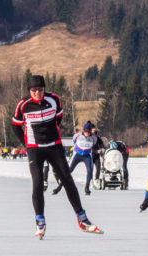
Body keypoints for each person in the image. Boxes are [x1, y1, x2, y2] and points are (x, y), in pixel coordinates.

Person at [12, 74, 102, 238]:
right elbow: (16, 126)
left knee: (67, 179)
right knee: (38, 182)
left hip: (54, 146)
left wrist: (51, 135)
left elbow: (58, 118)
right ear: (29, 91)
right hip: (35, 149)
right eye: (34, 90)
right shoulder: (23, 105)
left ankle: (82, 218)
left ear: (44, 89)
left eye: (40, 89)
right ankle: (40, 221)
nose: (37, 93)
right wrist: (26, 144)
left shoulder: (54, 99)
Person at [55, 122, 97, 196]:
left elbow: (94, 143)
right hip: (77, 155)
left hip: (87, 156)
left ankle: (87, 188)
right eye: (85, 131)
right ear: (83, 130)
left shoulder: (94, 137)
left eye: (88, 131)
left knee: (90, 171)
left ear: (90, 131)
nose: (86, 133)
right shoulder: (78, 134)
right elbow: (74, 141)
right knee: (69, 171)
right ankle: (60, 186)